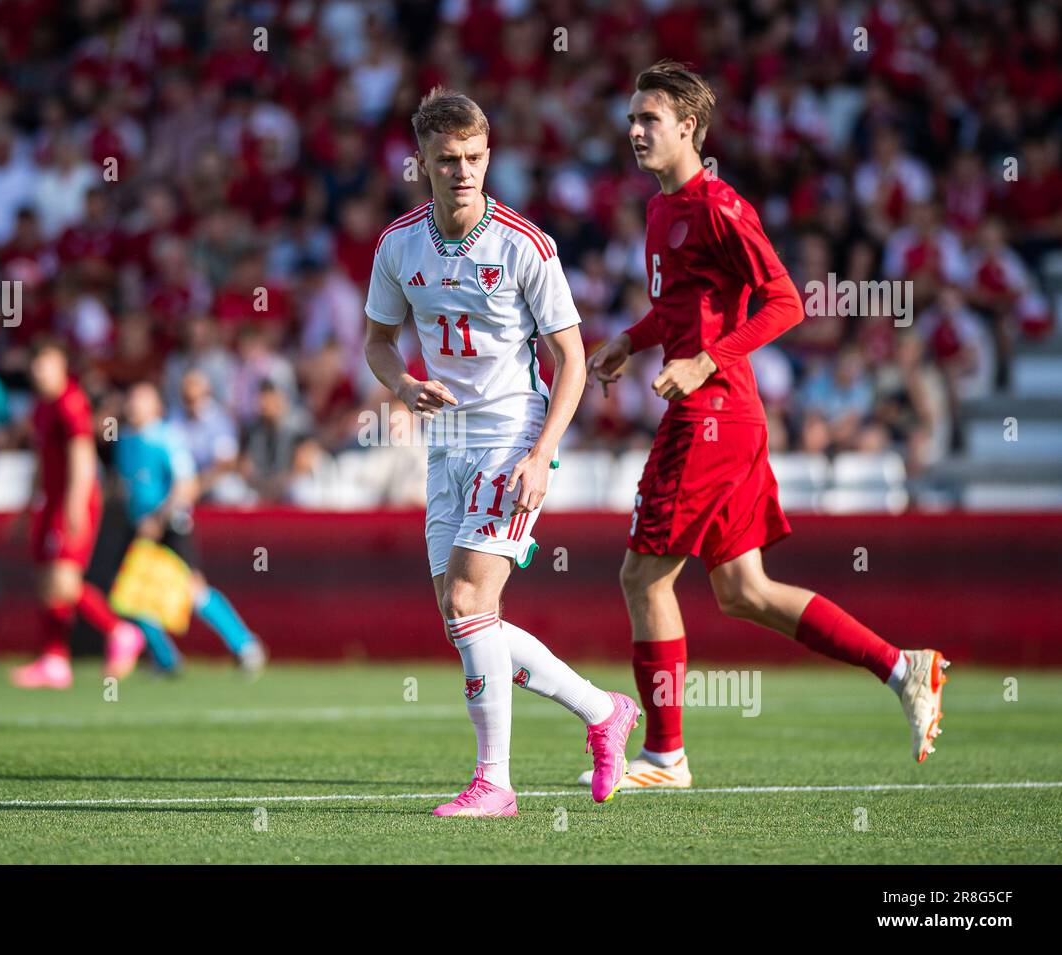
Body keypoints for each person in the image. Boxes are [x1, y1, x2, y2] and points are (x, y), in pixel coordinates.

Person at [585, 61, 949, 790]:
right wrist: (634, 335)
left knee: (641, 575)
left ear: (689, 126)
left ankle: (665, 756)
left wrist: (703, 364)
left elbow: (785, 301)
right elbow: (682, 309)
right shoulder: (660, 209)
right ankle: (904, 665)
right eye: (630, 118)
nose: (634, 131)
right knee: (743, 590)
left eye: (648, 119)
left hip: (713, 414)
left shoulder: (721, 205)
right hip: (723, 414)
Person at [364, 87, 640, 817]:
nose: (464, 171)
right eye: (449, 159)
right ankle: (602, 709)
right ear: (420, 160)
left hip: (512, 436)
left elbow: (571, 362)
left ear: (490, 155)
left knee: (466, 602)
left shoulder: (524, 244)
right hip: (445, 445)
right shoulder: (399, 245)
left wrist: (541, 453)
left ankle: (496, 782)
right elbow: (377, 342)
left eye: (476, 157)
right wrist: (403, 385)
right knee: (462, 618)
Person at [10, 338, 144, 689]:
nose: (40, 372)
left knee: (64, 582)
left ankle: (120, 631)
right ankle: (54, 660)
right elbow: (42, 461)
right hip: (51, 502)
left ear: (60, 366)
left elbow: (82, 456)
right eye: (36, 366)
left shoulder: (71, 403)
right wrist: (29, 506)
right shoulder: (42, 407)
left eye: (47, 364)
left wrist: (74, 504)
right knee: (46, 584)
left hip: (72, 501)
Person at [114, 381, 266, 673]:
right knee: (134, 593)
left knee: (192, 589)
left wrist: (159, 519)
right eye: (131, 398)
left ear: (157, 407)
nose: (133, 405)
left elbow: (186, 485)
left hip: (170, 526)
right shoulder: (124, 441)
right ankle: (164, 659)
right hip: (140, 528)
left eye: (141, 399)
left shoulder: (167, 438)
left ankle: (245, 645)